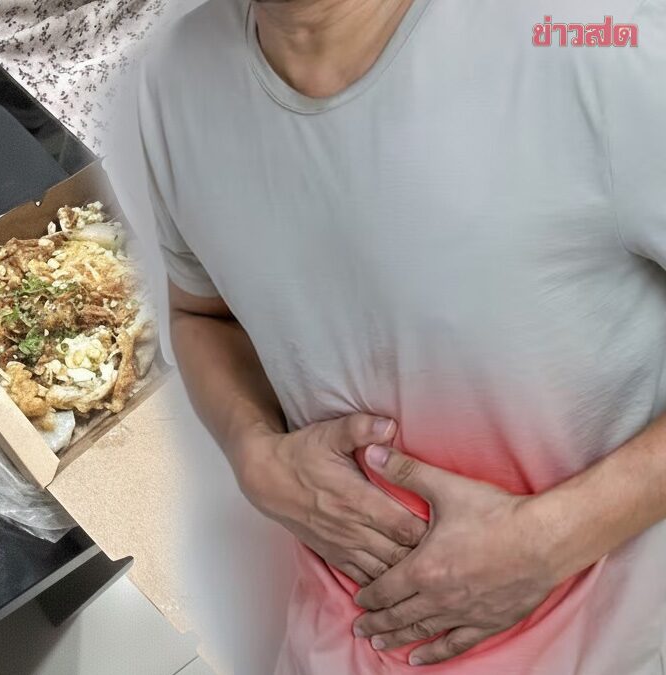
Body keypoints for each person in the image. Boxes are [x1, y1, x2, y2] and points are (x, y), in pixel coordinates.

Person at [130, 0, 666, 671]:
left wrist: (552, 540)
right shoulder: (172, 81)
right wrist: (252, 451)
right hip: (335, 646)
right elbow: (203, 315)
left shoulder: (596, 41)